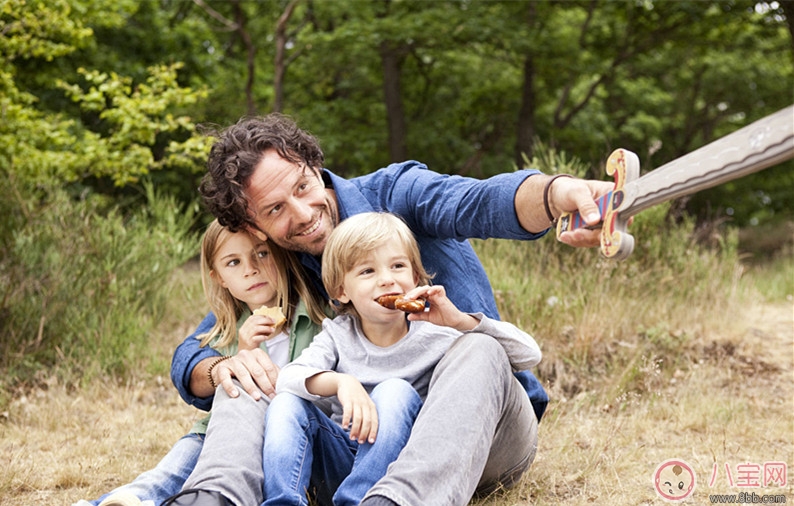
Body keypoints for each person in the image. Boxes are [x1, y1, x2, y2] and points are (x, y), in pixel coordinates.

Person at [165, 113, 613, 506]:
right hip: (361, 445)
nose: (303, 213)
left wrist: (557, 195)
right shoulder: (277, 260)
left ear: (315, 167)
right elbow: (197, 350)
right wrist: (224, 367)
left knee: (479, 348)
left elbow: (479, 202)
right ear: (252, 227)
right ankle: (216, 496)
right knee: (245, 371)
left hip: (480, 433)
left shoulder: (397, 194)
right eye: (276, 208)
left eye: (303, 186)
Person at [262, 212, 542, 506]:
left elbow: (529, 354)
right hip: (344, 459)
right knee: (286, 403)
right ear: (341, 291)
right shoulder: (337, 334)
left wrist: (460, 321)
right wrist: (341, 383)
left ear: (415, 278)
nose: (387, 280)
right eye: (367, 271)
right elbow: (289, 378)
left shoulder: (435, 331)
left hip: (406, 466)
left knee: (393, 390)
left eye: (397, 266)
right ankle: (284, 501)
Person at [73, 219, 326, 506]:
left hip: (286, 439)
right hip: (219, 435)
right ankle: (122, 501)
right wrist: (242, 350)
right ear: (218, 277)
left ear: (281, 254)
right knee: (168, 473)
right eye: (233, 262)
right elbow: (203, 375)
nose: (250, 269)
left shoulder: (317, 316)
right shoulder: (224, 331)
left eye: (262, 254)